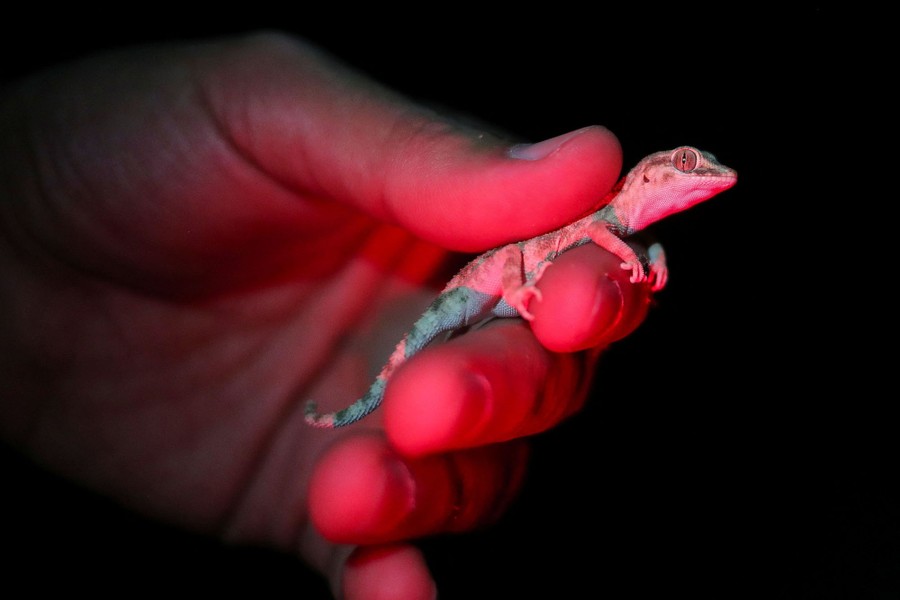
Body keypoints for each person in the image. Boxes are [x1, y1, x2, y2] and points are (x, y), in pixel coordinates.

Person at [0, 32, 655, 599]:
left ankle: (359, 404)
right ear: (650, 178)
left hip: (487, 293)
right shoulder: (604, 217)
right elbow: (585, 242)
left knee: (467, 369)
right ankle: (361, 402)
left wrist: (648, 260)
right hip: (485, 278)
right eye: (685, 165)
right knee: (470, 335)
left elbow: (617, 247)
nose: (698, 173)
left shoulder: (619, 227)